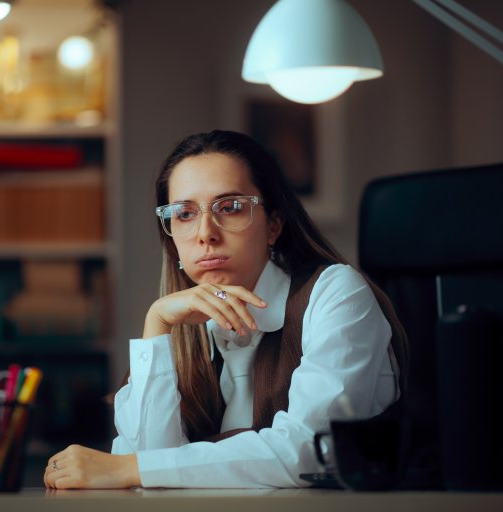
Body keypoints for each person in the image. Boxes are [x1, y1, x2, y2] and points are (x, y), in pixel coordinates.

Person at [43, 130, 408, 489]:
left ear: (274, 225)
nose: (205, 233)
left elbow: (311, 451)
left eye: (230, 207)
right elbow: (151, 471)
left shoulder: (335, 293)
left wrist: (130, 468)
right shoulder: (185, 324)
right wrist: (156, 324)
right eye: (184, 214)